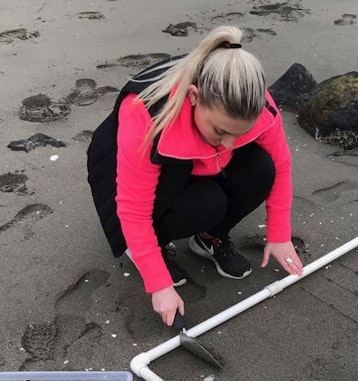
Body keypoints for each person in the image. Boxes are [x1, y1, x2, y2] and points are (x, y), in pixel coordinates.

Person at [88, 25, 303, 327]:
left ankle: (209, 238)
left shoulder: (252, 101)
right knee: (205, 204)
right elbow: (133, 210)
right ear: (194, 96)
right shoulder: (144, 114)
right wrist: (158, 284)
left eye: (239, 133)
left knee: (260, 168)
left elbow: (281, 167)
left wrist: (279, 233)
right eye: (221, 130)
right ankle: (152, 249)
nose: (230, 143)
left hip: (199, 162)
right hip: (126, 170)